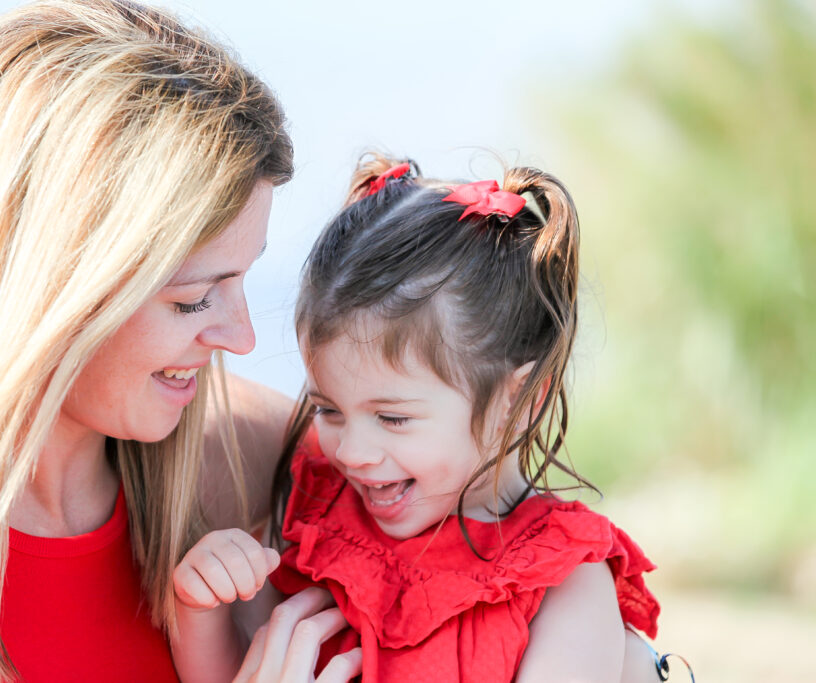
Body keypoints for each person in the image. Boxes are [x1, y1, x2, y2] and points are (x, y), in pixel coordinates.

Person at [0, 2, 358, 681]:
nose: (240, 337)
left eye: (243, 278)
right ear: (51, 289)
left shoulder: (244, 450)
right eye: (191, 299)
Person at [172, 155, 673, 682]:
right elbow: (249, 672)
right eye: (328, 409)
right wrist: (202, 611)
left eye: (392, 418)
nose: (350, 452)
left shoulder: (563, 581)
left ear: (518, 402)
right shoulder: (320, 521)